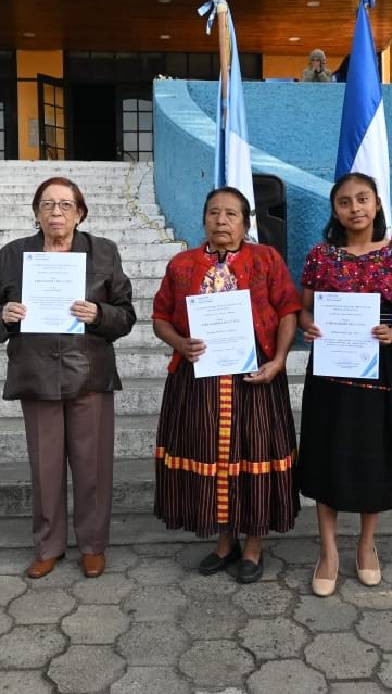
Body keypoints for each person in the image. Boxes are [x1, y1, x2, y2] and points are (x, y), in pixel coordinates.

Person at [0, 177, 135, 580]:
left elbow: (126, 316)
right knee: (45, 469)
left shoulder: (103, 252)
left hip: (89, 374)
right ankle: (48, 546)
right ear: (36, 213)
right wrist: (5, 316)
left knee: (93, 467)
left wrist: (99, 314)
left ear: (80, 213)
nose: (56, 212)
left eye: (66, 205)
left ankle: (93, 545)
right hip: (36, 374)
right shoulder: (12, 255)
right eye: (47, 204)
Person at [152, 186, 301, 584]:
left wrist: (279, 360)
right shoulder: (182, 264)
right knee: (212, 456)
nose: (221, 220)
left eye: (231, 214)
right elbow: (160, 317)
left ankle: (253, 544)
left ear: (246, 223)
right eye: (214, 213)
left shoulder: (266, 259)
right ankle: (224, 541)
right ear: (203, 219)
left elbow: (288, 309)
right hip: (198, 380)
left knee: (253, 455)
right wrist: (179, 343)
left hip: (255, 379)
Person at [297, 173, 392, 597]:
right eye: (345, 202)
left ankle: (367, 545)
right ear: (335, 210)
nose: (355, 208)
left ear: (377, 204)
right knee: (325, 452)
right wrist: (309, 326)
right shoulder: (320, 256)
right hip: (328, 370)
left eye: (363, 199)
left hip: (374, 368)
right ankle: (328, 550)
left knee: (371, 454)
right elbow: (304, 310)